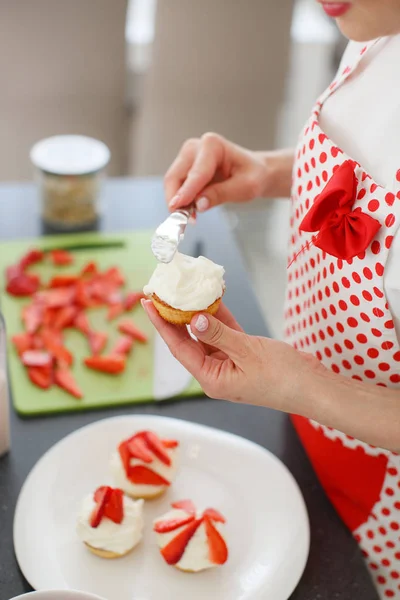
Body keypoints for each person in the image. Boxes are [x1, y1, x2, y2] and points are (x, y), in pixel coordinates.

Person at [142, 1, 400, 597]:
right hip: (304, 428)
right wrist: (268, 170)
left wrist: (300, 386)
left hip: (381, 506)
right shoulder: (374, 27)